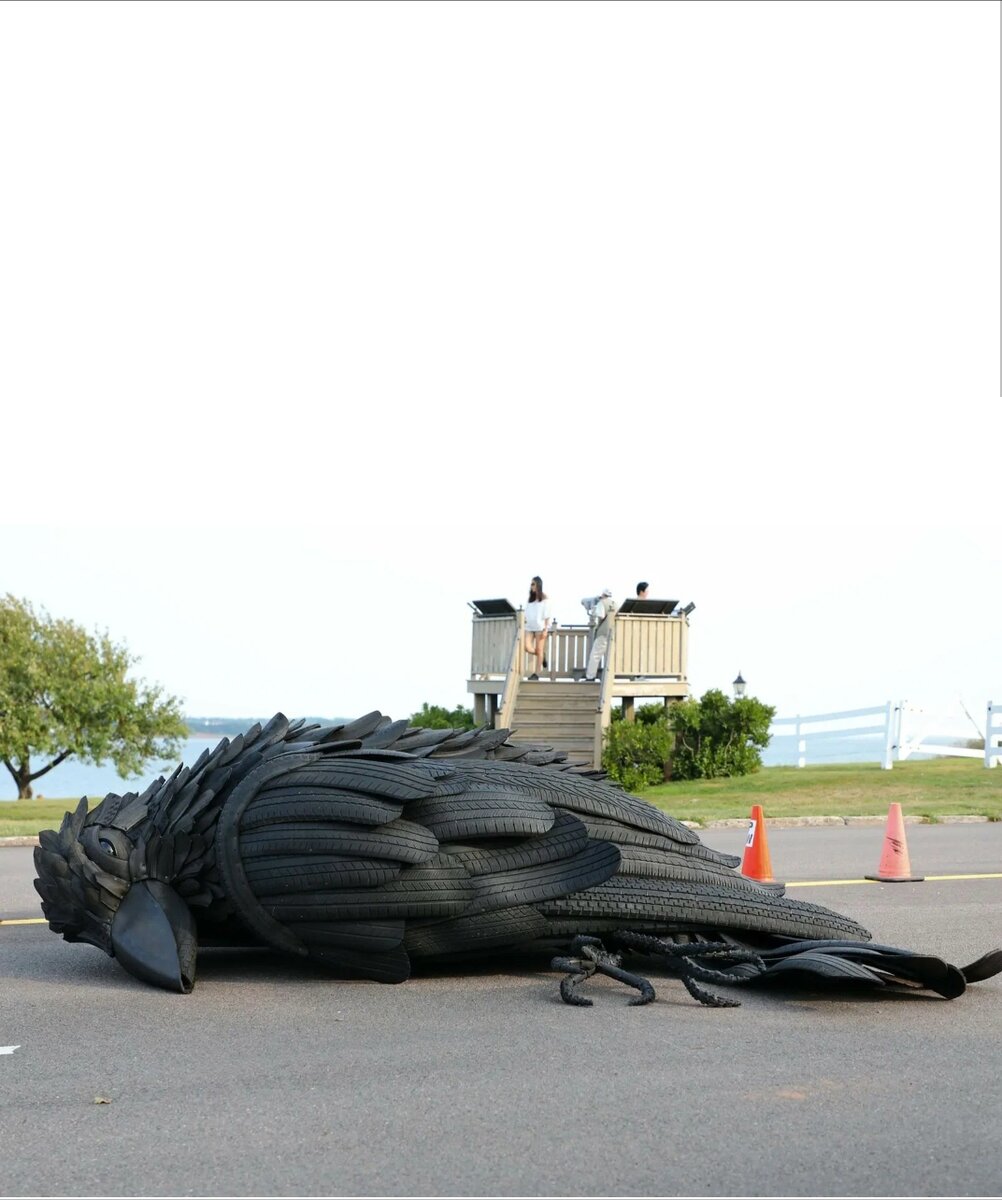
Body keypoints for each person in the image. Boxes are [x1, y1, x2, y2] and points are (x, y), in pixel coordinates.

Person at [580, 588, 615, 681]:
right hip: (613, 632)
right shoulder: (614, 604)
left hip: (603, 632)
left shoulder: (602, 603)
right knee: (610, 656)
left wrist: (593, 609)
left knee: (595, 655)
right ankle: (610, 676)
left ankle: (590, 676)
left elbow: (600, 615)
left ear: (602, 595)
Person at [523, 575, 553, 680]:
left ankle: (537, 673)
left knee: (539, 649)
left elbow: (547, 615)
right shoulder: (530, 599)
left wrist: (546, 629)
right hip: (529, 627)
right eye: (531, 584)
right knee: (526, 647)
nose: (531, 586)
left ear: (538, 585)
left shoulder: (544, 599)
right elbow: (526, 613)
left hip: (540, 627)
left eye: (533, 584)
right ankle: (542, 655)